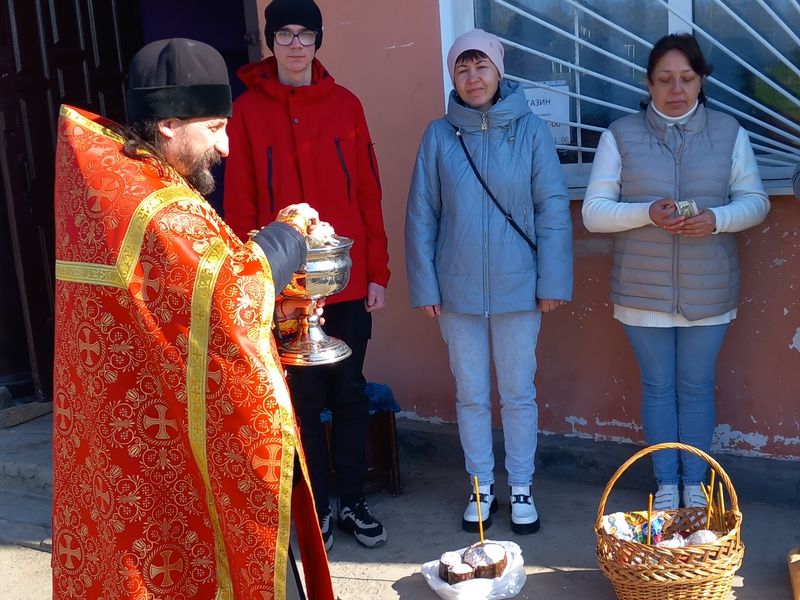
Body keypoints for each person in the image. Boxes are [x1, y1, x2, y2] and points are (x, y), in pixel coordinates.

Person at [51, 38, 335, 599]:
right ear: (168, 126)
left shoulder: (109, 182)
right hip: (161, 444)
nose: (226, 147)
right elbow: (234, 290)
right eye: (213, 129)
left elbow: (180, 306)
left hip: (126, 437)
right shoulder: (156, 205)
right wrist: (289, 233)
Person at [223, 0, 390, 550]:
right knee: (299, 396)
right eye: (285, 34)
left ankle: (355, 500)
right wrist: (254, 279)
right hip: (284, 285)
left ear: (319, 41)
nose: (296, 44)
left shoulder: (347, 105)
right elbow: (241, 199)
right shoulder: (246, 110)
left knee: (349, 393)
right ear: (271, 41)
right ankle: (315, 504)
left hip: (345, 278)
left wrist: (378, 272)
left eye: (306, 35)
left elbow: (369, 192)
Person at [582, 33, 769, 511]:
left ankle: (699, 487)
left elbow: (755, 201)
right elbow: (594, 213)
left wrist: (716, 219)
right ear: (649, 82)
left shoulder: (729, 132)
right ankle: (667, 485)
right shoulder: (620, 134)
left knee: (696, 388)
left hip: (709, 289)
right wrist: (647, 212)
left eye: (686, 79)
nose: (676, 89)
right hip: (642, 292)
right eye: (665, 79)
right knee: (659, 388)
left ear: (701, 80)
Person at [405, 29, 573, 534]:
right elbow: (421, 215)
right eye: (462, 68)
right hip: (456, 291)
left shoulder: (531, 131)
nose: (472, 77)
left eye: (481, 66)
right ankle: (480, 484)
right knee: (472, 394)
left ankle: (521, 485)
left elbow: (552, 209)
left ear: (498, 71)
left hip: (519, 287)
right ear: (452, 76)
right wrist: (426, 286)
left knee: (519, 393)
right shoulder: (438, 135)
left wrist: (553, 282)